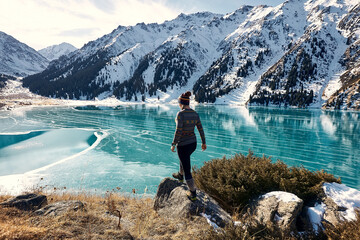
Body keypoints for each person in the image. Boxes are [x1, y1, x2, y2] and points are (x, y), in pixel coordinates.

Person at [171, 91, 206, 201]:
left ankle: (193, 193)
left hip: (183, 144)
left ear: (181, 103)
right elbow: (200, 129)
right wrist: (203, 142)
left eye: (179, 103)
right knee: (184, 158)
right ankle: (180, 176)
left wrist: (173, 143)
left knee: (187, 168)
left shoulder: (180, 114)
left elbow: (178, 131)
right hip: (193, 144)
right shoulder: (195, 114)